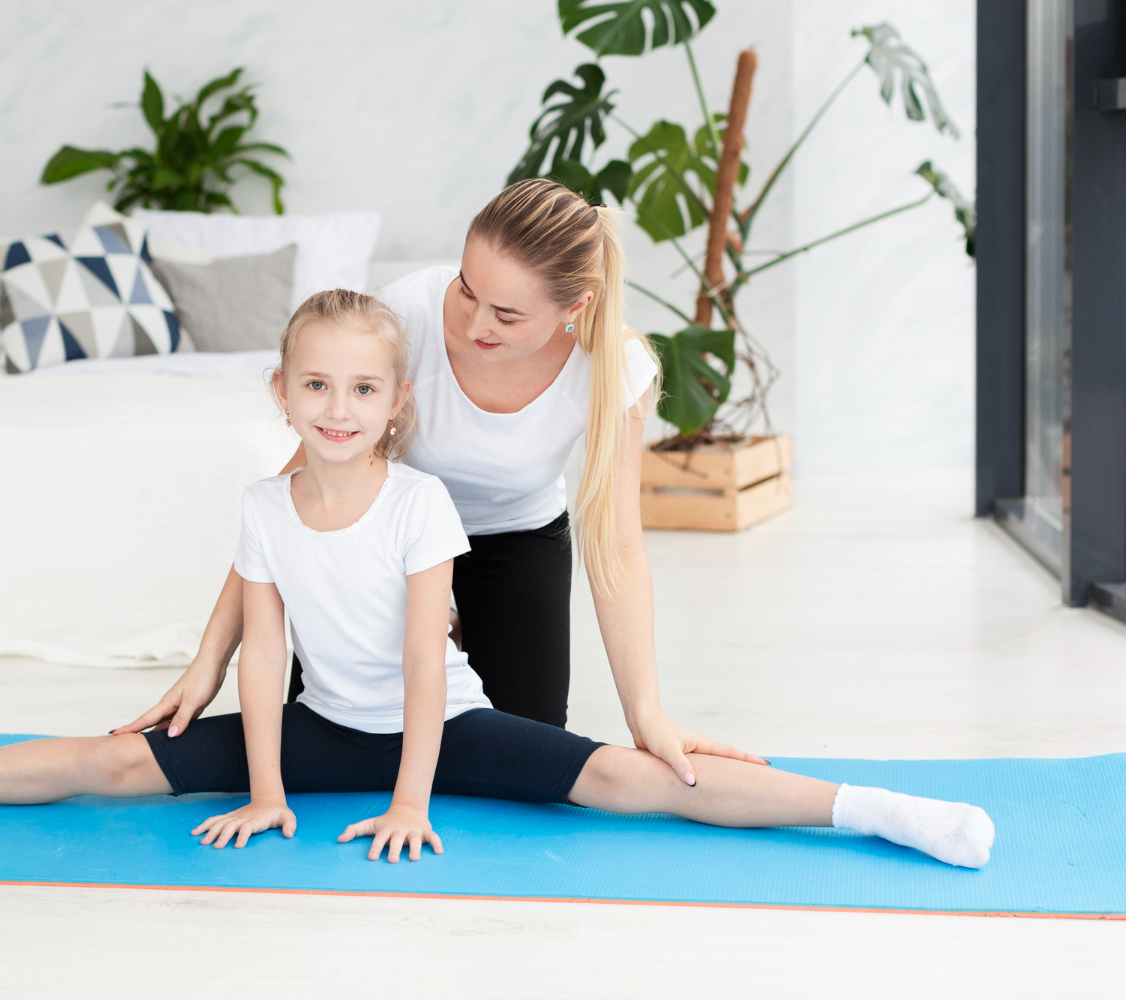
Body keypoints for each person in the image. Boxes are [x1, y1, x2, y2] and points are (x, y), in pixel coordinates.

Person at [0, 290, 996, 870]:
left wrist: (413, 801)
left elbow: (424, 666)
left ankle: (870, 808)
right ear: (282, 395)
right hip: (314, 730)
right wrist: (261, 784)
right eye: (315, 387)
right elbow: (263, 658)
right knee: (104, 758)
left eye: (363, 389)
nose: (339, 408)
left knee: (629, 778)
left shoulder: (423, 502)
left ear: (395, 402)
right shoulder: (263, 505)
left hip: (435, 728)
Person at [118, 179, 748, 788]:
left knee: (515, 760)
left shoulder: (613, 366)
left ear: (574, 308)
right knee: (324, 741)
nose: (475, 323)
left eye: (506, 314)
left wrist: (646, 713)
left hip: (515, 539)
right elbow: (291, 495)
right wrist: (210, 660)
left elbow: (619, 546)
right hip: (382, 532)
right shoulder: (409, 313)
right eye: (467, 290)